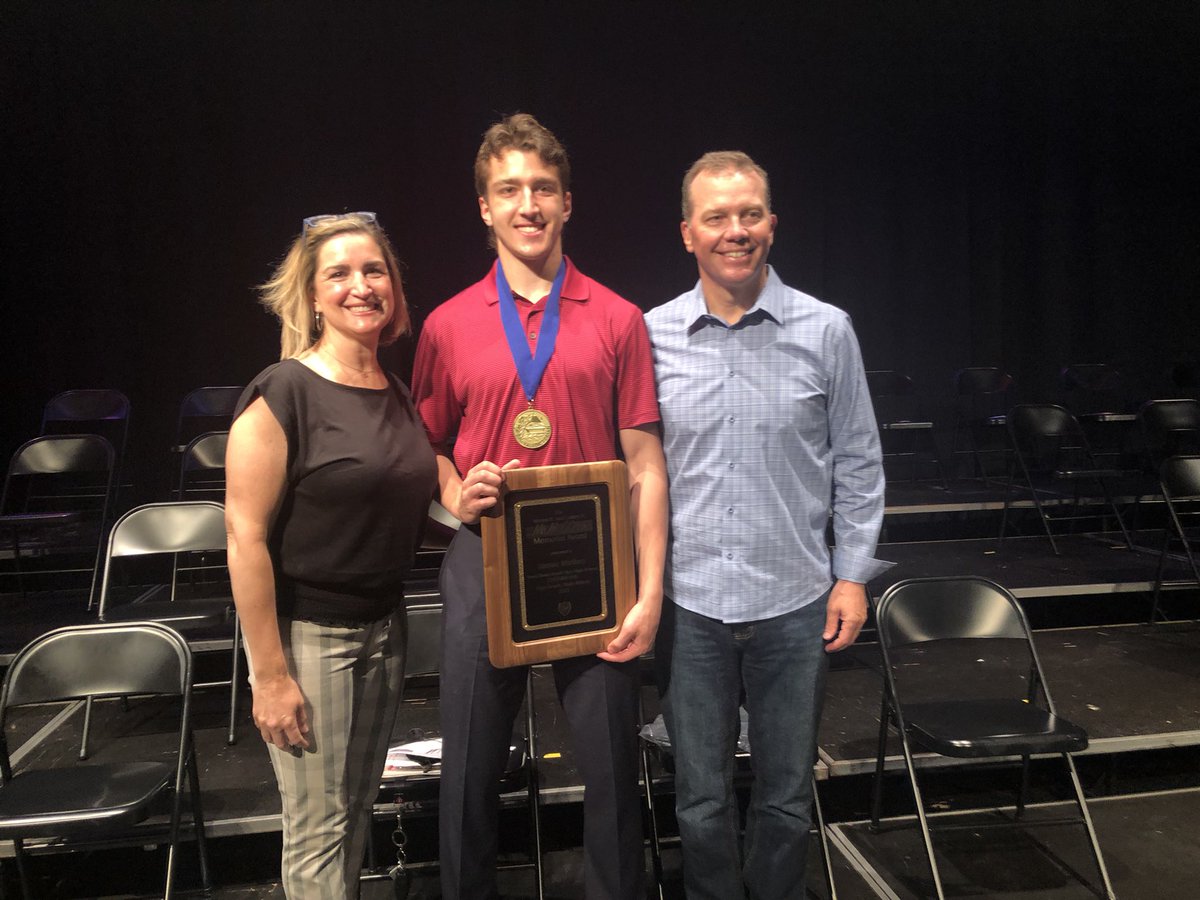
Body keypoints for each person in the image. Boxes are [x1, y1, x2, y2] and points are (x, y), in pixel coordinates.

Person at [411, 113, 667, 900]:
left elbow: (646, 465)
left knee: (613, 773)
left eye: (543, 189)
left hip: (595, 565)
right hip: (483, 557)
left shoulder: (619, 317)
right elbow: (423, 446)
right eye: (509, 190)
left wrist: (650, 593)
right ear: (483, 207)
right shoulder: (447, 324)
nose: (528, 204)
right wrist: (454, 490)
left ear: (567, 203)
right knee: (469, 772)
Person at [644, 151, 891, 899]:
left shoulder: (826, 331)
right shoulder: (648, 338)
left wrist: (850, 576)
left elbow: (859, 461)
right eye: (716, 217)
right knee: (702, 799)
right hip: (690, 608)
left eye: (749, 213)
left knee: (786, 797)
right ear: (688, 232)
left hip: (795, 604)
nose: (735, 230)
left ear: (773, 225)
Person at [225, 212, 437, 898]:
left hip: (386, 629)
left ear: (394, 288)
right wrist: (269, 676)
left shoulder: (396, 392)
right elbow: (244, 537)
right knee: (317, 831)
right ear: (313, 295)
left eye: (374, 271)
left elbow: (414, 500)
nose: (361, 286)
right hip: (311, 637)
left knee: (351, 815)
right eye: (339, 274)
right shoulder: (283, 391)